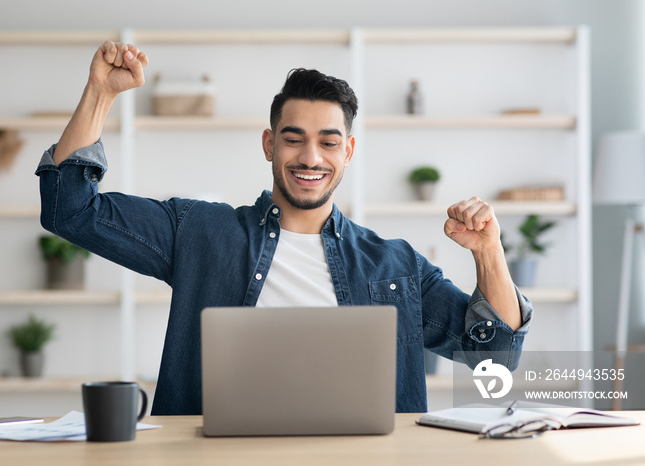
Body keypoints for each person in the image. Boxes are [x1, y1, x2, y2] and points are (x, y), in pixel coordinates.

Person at [36, 41, 532, 415]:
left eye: (328, 142)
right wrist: (101, 93)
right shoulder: (198, 231)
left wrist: (489, 251)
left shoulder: (395, 265)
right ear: (270, 145)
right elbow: (71, 210)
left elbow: (496, 355)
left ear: (349, 152)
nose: (310, 158)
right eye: (294, 140)